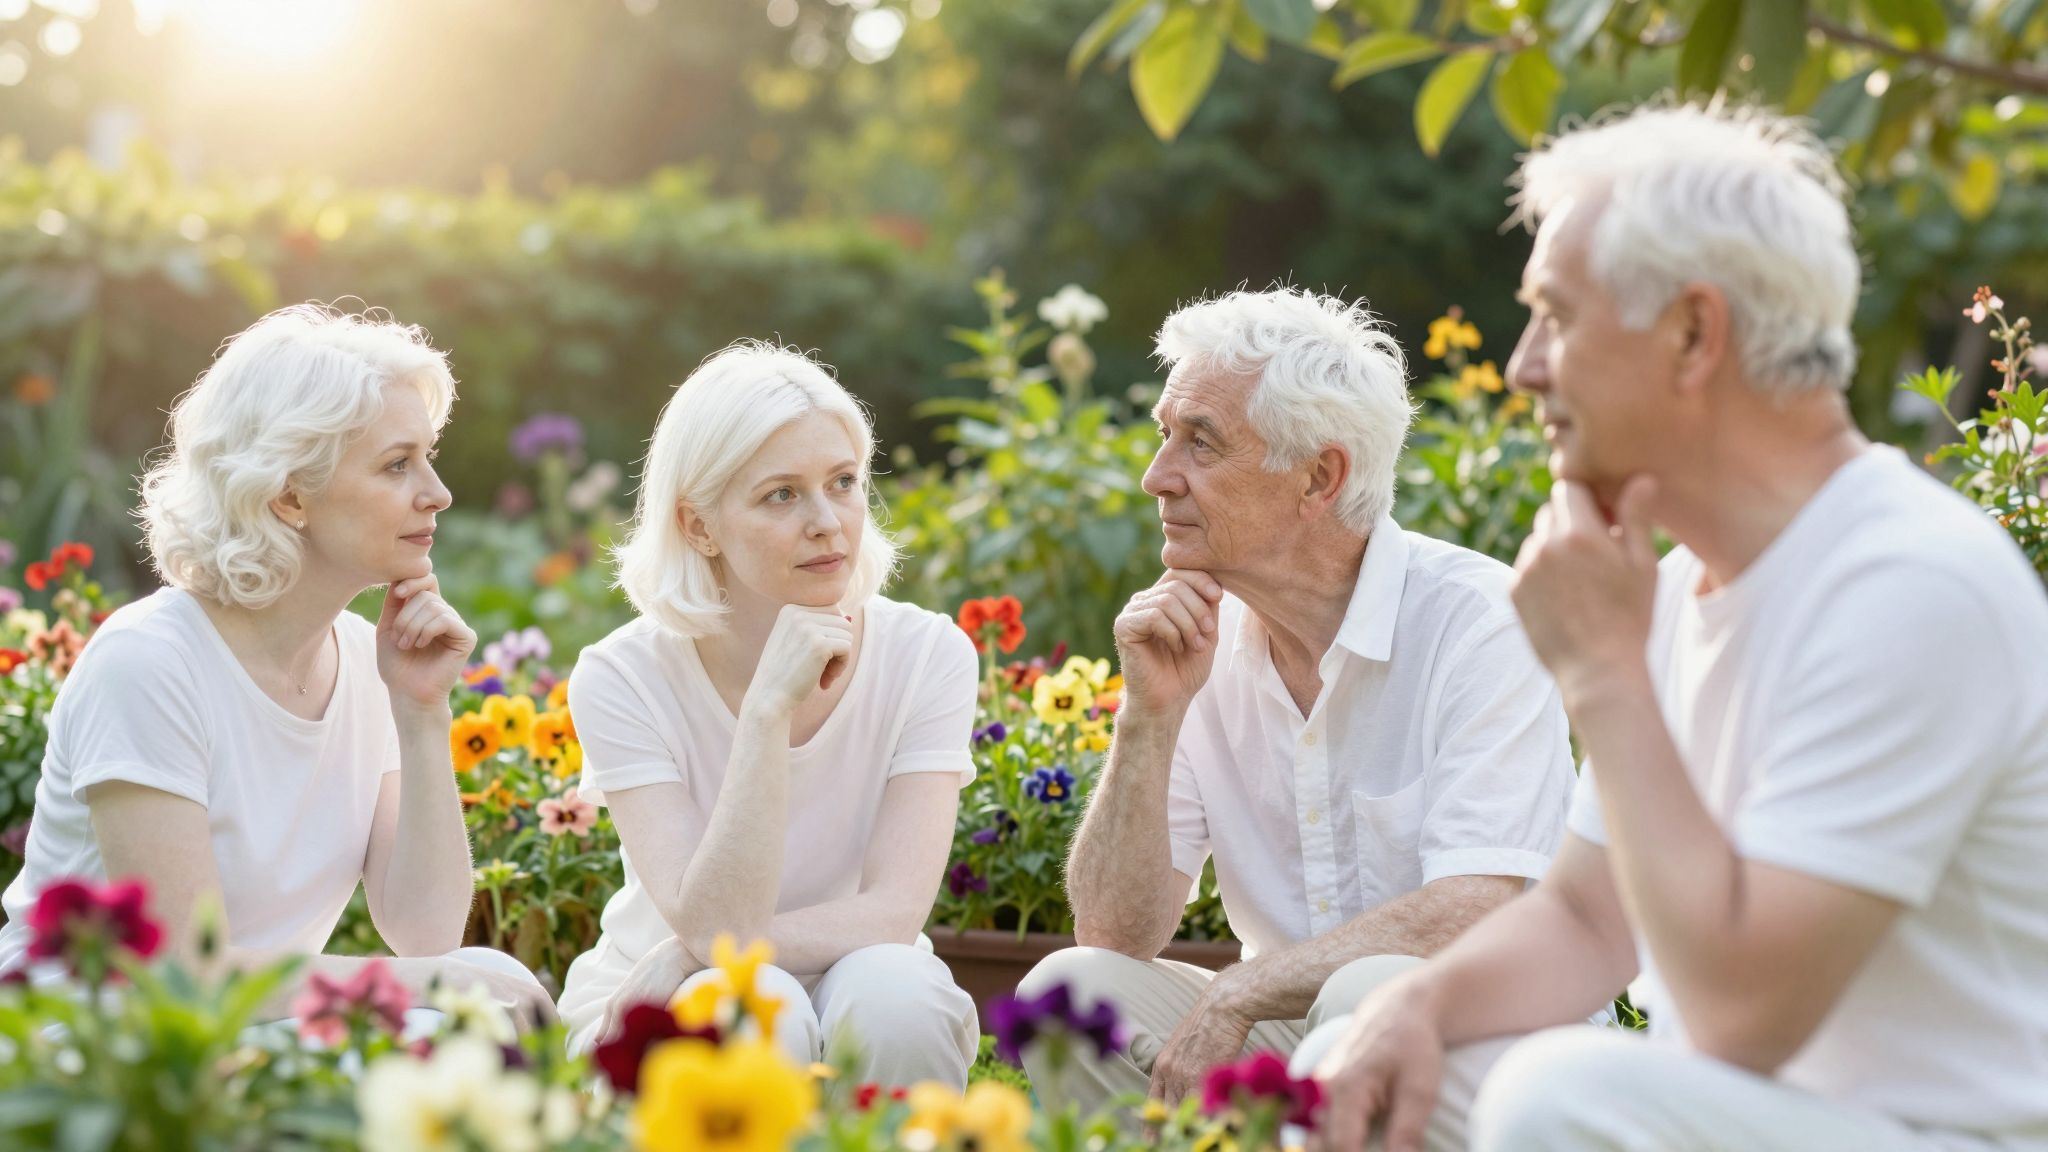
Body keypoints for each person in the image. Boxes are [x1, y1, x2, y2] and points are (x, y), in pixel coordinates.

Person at [1307, 101, 2048, 1152]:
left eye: (1556, 317)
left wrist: (1603, 675)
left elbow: (1738, 1018)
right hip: (1751, 1122)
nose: (1523, 366)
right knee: (1356, 1063)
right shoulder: (1668, 587)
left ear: (1694, 334)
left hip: (1944, 1135)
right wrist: (1409, 1008)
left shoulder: (1910, 588)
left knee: (1552, 1098)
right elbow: (1584, 919)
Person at [1017, 288, 1576, 1109]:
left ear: (1319, 477)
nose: (1156, 477)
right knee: (1068, 996)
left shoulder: (1480, 621)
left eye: (1200, 442)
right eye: (1164, 435)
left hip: (1495, 1035)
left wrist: (1239, 991)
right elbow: (1114, 933)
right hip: (1294, 1023)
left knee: (1363, 996)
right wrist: (1149, 717)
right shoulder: (1198, 642)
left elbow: (1473, 911)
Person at [0, 305, 552, 1027]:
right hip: (93, 1052)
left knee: (491, 989)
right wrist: (437, 981)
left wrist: (421, 713)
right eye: (397, 464)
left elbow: (426, 931)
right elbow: (185, 975)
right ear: (289, 495)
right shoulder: (149, 664)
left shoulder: (369, 665)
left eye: (427, 457)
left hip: (255, 1035)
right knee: (465, 1007)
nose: (437, 493)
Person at [555, 342, 979, 1087]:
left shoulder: (926, 653)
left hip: (841, 965)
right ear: (698, 526)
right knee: (753, 1006)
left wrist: (687, 950)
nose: (828, 523)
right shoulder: (622, 676)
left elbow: (893, 913)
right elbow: (718, 924)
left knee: (898, 999)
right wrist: (766, 711)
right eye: (781, 495)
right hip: (665, 1000)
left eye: (843, 483)